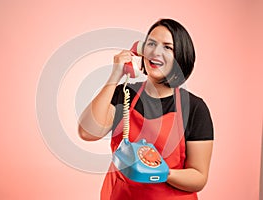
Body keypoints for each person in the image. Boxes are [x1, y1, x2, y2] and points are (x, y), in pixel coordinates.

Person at [78, 18, 214, 200]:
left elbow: (199, 177)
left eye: (167, 47)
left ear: (180, 56)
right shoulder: (123, 94)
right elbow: (87, 132)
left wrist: (158, 170)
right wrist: (115, 75)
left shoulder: (196, 108)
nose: (156, 52)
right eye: (151, 44)